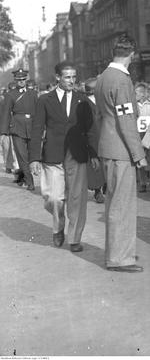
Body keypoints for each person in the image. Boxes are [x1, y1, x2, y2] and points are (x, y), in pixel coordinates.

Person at [28, 61, 98, 252]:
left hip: (77, 154)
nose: (71, 81)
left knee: (77, 199)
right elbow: (36, 129)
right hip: (53, 154)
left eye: (74, 77)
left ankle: (74, 238)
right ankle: (58, 226)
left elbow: (90, 129)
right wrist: (34, 157)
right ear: (58, 77)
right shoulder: (44, 100)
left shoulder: (83, 100)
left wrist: (93, 153)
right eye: (67, 77)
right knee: (54, 198)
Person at [94, 35, 147, 272]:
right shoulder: (122, 80)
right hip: (121, 149)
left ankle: (119, 253)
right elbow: (126, 120)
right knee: (122, 205)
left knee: (115, 202)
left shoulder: (103, 77)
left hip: (108, 145)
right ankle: (119, 258)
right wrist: (139, 154)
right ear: (131, 55)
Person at [0, 68, 39, 190]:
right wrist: (4, 132)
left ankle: (24, 175)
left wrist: (41, 127)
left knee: (31, 155)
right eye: (19, 80)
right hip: (17, 128)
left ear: (26, 80)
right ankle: (29, 180)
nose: (21, 82)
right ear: (15, 80)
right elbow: (6, 113)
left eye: (23, 79)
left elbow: (38, 111)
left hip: (32, 126)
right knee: (22, 156)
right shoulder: (10, 95)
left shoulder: (33, 93)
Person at [84, 77, 105, 204]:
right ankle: (98, 191)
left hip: (106, 135)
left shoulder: (103, 101)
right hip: (92, 137)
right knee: (95, 164)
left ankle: (104, 187)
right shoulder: (84, 103)